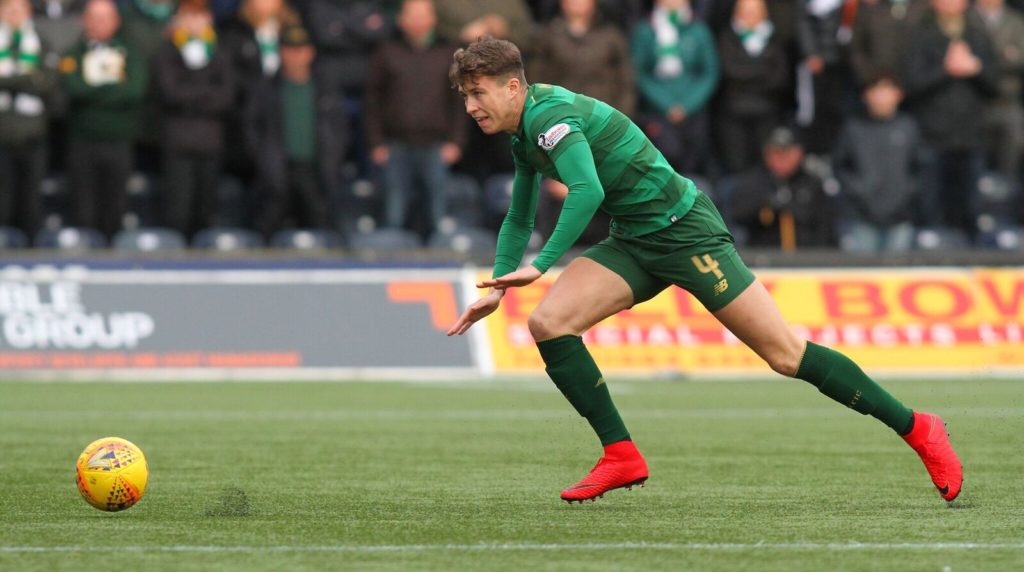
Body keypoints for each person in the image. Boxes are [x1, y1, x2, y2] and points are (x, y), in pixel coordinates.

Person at [445, 37, 962, 504]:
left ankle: (918, 427)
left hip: (686, 232)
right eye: (466, 96)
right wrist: (498, 286)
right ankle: (621, 454)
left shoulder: (550, 119)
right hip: (635, 239)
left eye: (477, 94)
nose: (470, 107)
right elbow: (520, 215)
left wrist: (540, 266)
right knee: (549, 323)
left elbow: (587, 191)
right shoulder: (523, 132)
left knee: (785, 355)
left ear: (512, 87)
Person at [364, 0, 464, 238]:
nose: (418, 22)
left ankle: (441, 255)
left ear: (433, 19)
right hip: (395, 144)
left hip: (437, 144)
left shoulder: (448, 53)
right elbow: (373, 102)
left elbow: (460, 102)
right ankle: (391, 255)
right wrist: (376, 142)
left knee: (438, 217)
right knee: (394, 214)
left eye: (422, 15)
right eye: (412, 16)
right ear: (401, 20)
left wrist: (457, 142)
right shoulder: (386, 52)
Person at [244, 23, 345, 238]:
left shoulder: (325, 87)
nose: (295, 56)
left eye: (300, 49)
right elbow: (252, 127)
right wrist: (263, 159)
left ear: (310, 52)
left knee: (321, 230)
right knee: (267, 228)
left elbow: (338, 128)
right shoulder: (266, 87)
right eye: (290, 50)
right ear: (282, 52)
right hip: (277, 170)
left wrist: (332, 157)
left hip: (314, 170)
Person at [60, 0, 147, 239]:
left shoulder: (130, 52)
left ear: (116, 22)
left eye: (105, 18)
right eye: (95, 18)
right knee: (82, 208)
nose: (100, 23)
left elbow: (134, 91)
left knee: (115, 206)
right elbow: (74, 89)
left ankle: (113, 254)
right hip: (82, 141)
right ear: (84, 21)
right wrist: (112, 87)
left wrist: (94, 90)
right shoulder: (73, 53)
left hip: (119, 140)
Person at [153, 0, 236, 239]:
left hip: (211, 142)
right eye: (188, 16)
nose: (194, 22)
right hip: (178, 141)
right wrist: (206, 93)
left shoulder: (220, 51)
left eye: (199, 16)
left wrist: (189, 95)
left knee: (206, 210)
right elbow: (170, 92)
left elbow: (227, 96)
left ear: (209, 19)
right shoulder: (168, 50)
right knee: (177, 211)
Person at [832, 75, 926, 252]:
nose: (881, 97)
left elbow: (920, 168)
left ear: (898, 94)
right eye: (876, 90)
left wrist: (905, 194)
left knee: (899, 269)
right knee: (863, 268)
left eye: (886, 90)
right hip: (862, 218)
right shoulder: (853, 128)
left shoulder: (908, 127)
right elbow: (840, 167)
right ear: (866, 95)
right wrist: (858, 191)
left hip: (901, 217)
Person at [631, 0, 719, 177]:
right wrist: (666, 104)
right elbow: (639, 72)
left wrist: (687, 105)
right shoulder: (646, 30)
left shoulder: (698, 29)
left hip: (694, 112)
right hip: (658, 112)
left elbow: (710, 72)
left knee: (694, 166)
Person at [724, 125, 837, 250]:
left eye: (787, 152)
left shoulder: (813, 184)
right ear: (766, 153)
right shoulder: (754, 182)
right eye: (776, 152)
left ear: (799, 153)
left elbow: (825, 227)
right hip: (764, 256)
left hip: (807, 256)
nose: (781, 158)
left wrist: (791, 205)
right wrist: (767, 203)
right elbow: (737, 215)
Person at [0, 0, 57, 239]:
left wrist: (8, 81)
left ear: (28, 12)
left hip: (33, 135)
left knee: (31, 199)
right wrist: (28, 79)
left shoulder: (40, 42)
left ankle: (31, 247)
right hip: (2, 136)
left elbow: (48, 83)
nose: (14, 15)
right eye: (8, 9)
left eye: (19, 9)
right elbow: (35, 80)